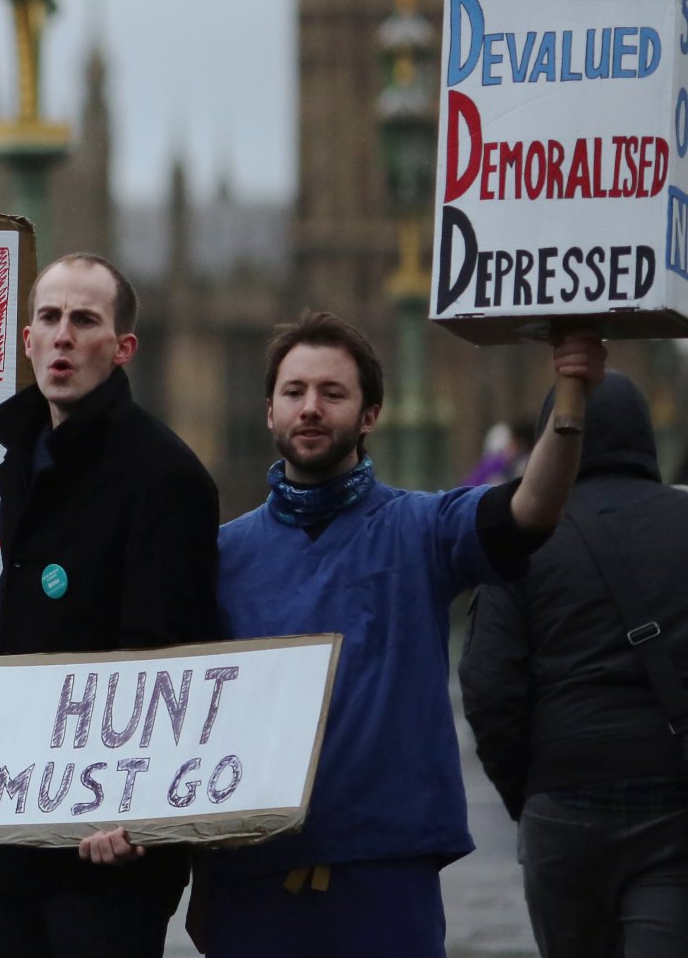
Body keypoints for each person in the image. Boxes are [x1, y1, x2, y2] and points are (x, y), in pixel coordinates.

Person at [193, 311, 599, 958]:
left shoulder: (420, 528)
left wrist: (571, 393)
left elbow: (528, 509)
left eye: (333, 392)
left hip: (382, 875)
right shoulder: (220, 555)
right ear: (269, 410)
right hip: (252, 881)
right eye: (294, 392)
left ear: (370, 413)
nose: (311, 407)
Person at [0, 252, 222, 958]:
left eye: (84, 319)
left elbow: (169, 660)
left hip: (105, 846)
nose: (62, 335)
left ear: (122, 347)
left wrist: (134, 809)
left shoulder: (166, 476)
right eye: (48, 317)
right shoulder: (22, 455)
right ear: (26, 339)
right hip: (13, 826)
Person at [462, 371, 688, 957]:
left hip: (565, 808)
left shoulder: (525, 539)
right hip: (675, 801)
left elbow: (488, 685)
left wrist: (533, 794)